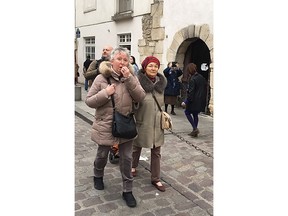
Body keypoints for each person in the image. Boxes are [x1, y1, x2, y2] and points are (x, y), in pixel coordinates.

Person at [85, 47, 146, 208]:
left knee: (126, 159)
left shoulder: (131, 77)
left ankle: (128, 190)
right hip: (106, 124)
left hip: (125, 124)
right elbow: (89, 101)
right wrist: (105, 92)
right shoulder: (101, 78)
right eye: (119, 59)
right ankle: (98, 174)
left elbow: (141, 97)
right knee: (102, 154)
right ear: (111, 61)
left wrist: (129, 79)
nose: (122, 62)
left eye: (125, 59)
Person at [132, 56, 167, 192]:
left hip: (157, 123)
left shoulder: (161, 84)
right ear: (145, 67)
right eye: (150, 66)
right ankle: (132, 166)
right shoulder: (137, 82)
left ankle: (156, 178)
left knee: (156, 151)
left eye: (156, 66)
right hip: (141, 120)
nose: (153, 68)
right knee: (136, 146)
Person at [181, 63, 207, 137]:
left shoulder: (193, 79)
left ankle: (195, 128)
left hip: (194, 100)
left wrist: (186, 101)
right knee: (195, 114)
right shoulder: (201, 77)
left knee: (187, 112)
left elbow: (191, 92)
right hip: (200, 99)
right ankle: (194, 131)